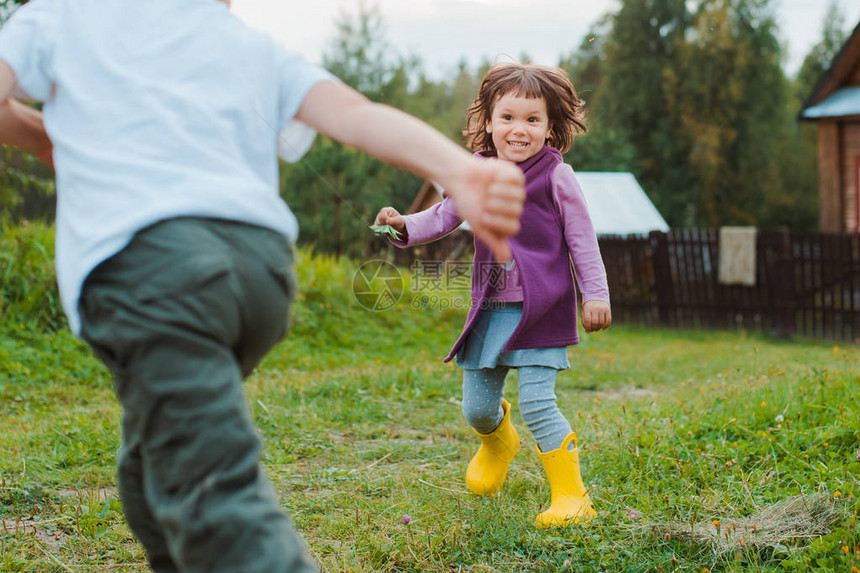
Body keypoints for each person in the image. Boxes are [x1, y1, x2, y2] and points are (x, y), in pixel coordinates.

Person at [0, 1, 526, 571]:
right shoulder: (244, 40)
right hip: (259, 275)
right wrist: (457, 168)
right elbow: (354, 114)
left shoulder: (61, 16)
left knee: (211, 493)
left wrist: (52, 140)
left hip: (156, 273)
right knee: (153, 468)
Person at [374, 62, 611, 528]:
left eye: (531, 120)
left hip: (541, 312)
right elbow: (444, 215)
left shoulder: (556, 177)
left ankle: (572, 497)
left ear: (550, 126)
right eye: (507, 117)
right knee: (477, 409)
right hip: (491, 309)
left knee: (539, 404)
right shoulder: (476, 172)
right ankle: (499, 443)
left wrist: (595, 294)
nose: (518, 130)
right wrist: (404, 225)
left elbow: (583, 239)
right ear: (488, 121)